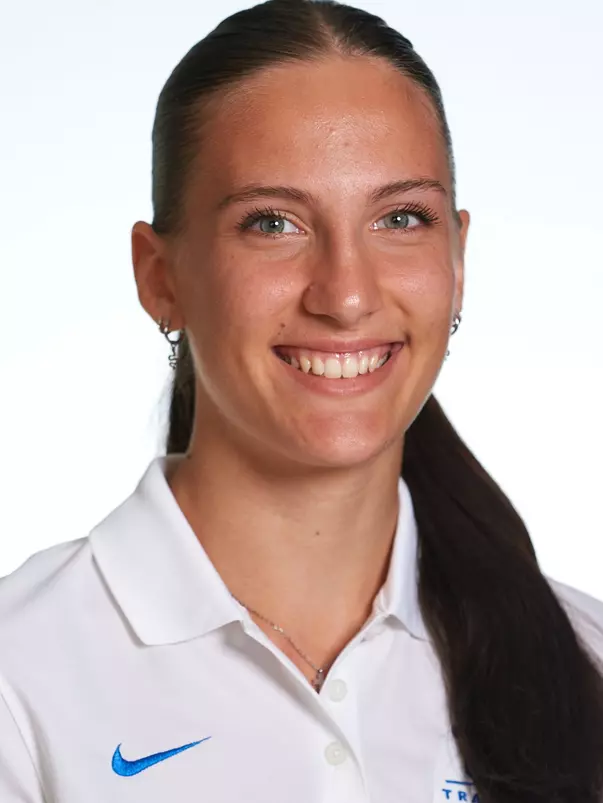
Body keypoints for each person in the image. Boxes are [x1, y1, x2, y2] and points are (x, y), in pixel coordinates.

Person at [1, 1, 603, 801]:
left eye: (400, 217)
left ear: (457, 260)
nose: (346, 293)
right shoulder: (22, 673)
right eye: (273, 222)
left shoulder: (582, 656)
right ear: (161, 277)